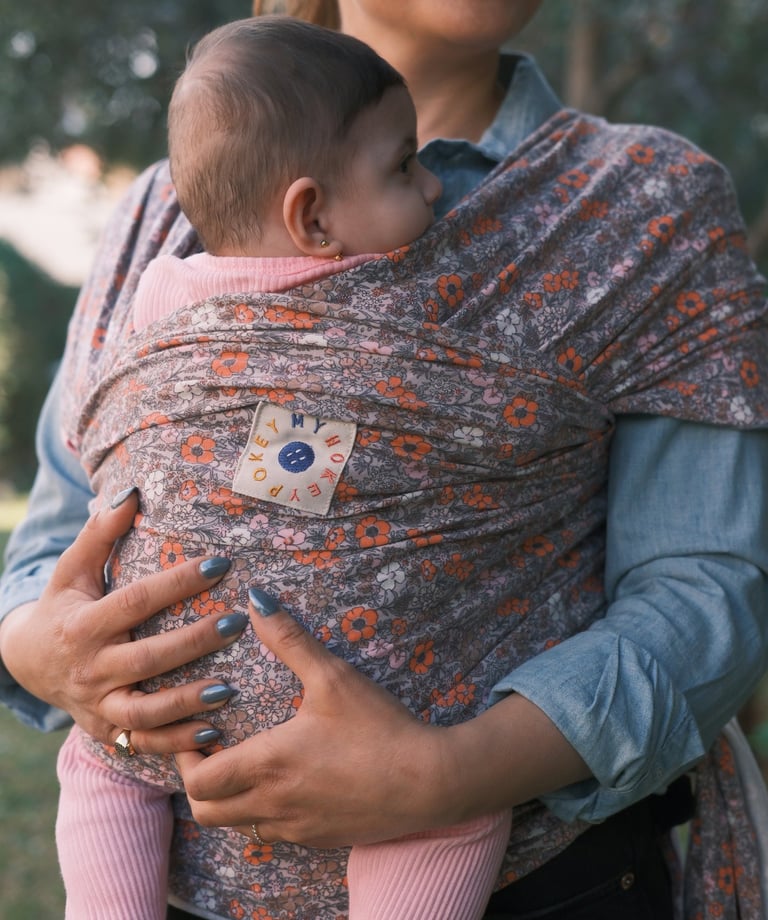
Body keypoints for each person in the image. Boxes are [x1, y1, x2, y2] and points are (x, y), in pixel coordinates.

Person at [1, 1, 767, 918]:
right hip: (173, 880)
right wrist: (47, 652)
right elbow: (50, 539)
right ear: (309, 216)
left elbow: (702, 591)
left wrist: (448, 776)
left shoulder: (643, 201)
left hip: (529, 888)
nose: (428, 190)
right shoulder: (157, 211)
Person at [55, 17, 515, 920]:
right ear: (312, 218)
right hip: (364, 708)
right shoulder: (406, 307)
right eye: (403, 166)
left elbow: (99, 430)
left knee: (100, 767)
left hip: (163, 689)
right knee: (453, 814)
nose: (433, 186)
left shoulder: (153, 300)